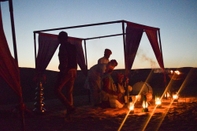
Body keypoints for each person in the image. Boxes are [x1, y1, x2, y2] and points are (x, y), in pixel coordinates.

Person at [54, 31, 77, 117]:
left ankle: (70, 107)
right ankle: (69, 111)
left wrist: (62, 71)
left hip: (67, 70)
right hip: (74, 70)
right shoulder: (73, 47)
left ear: (60, 38)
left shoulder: (63, 46)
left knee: (57, 90)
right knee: (69, 91)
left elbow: (64, 59)